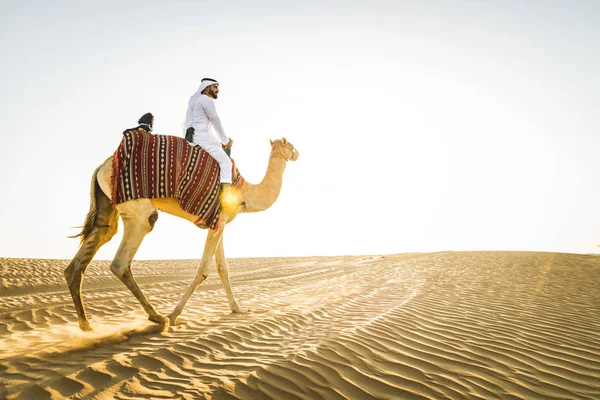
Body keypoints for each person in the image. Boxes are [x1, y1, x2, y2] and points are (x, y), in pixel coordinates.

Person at [183, 78, 237, 204]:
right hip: (202, 137)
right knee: (226, 162)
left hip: (199, 136)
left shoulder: (199, 101)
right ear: (207, 88)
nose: (217, 90)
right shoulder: (205, 99)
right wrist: (225, 140)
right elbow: (215, 120)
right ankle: (226, 197)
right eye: (215, 87)